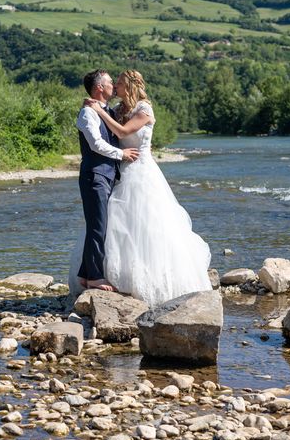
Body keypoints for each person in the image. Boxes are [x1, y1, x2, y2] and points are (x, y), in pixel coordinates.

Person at [71, 69, 212, 307]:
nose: (115, 86)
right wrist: (96, 108)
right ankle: (102, 275)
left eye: (119, 82)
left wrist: (98, 111)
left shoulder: (144, 109)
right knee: (109, 224)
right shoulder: (118, 109)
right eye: (112, 82)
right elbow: (105, 126)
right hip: (120, 172)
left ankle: (147, 282)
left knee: (146, 226)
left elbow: (123, 132)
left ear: (130, 85)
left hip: (141, 171)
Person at [73, 69, 140, 292]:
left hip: (106, 176)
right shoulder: (87, 114)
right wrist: (122, 155)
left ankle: (84, 274)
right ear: (100, 87)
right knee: (97, 227)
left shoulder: (106, 111)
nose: (114, 86)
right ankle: (94, 277)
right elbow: (95, 144)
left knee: (100, 225)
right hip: (95, 175)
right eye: (111, 82)